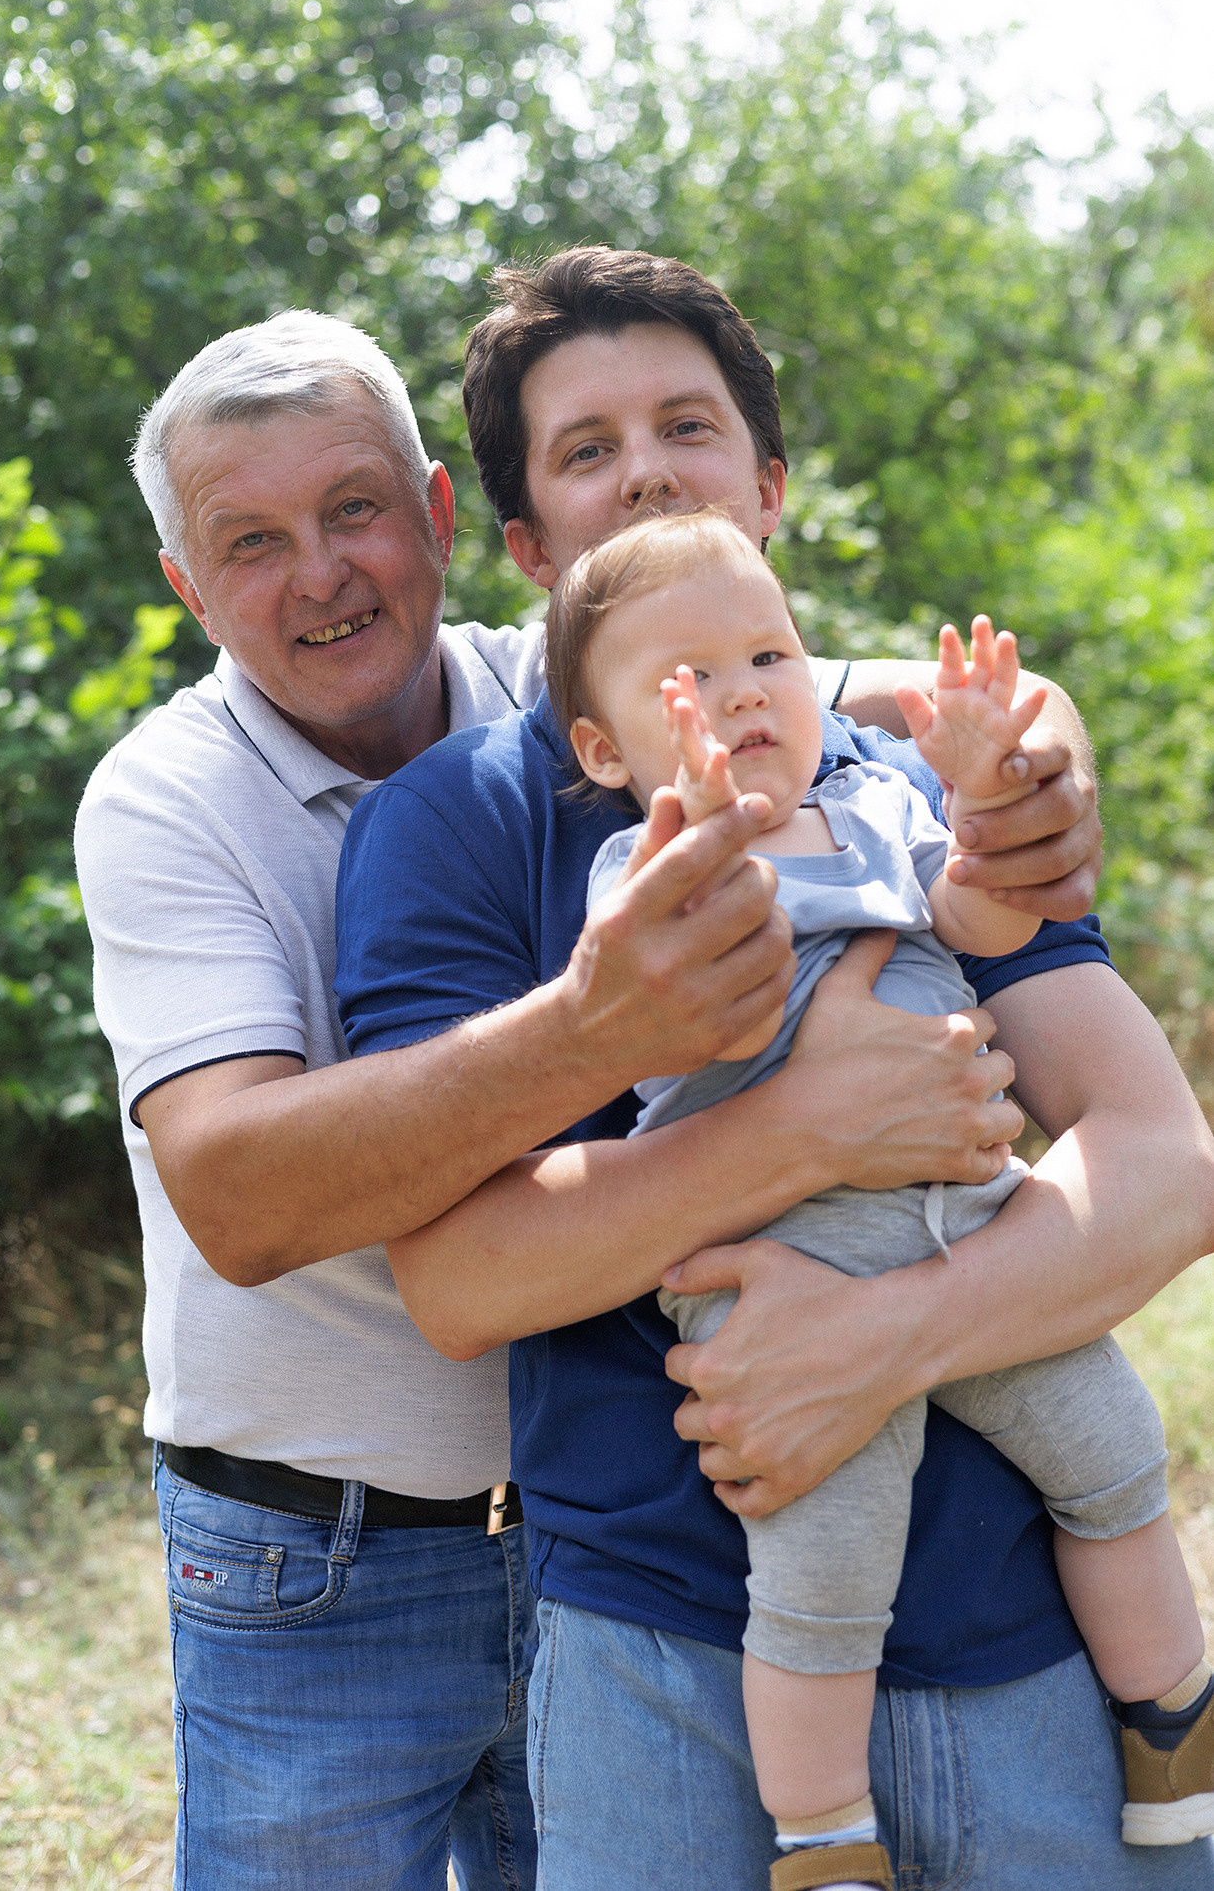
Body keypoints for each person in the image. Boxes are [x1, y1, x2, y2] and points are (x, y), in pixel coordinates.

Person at [74, 299, 1101, 1888]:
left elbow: (846, 686)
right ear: (189, 589)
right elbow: (239, 1196)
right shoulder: (168, 798)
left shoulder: (582, 679)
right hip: (321, 1548)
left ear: (435, 518)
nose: (323, 572)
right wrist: (605, 1031)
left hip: (607, 1522)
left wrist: (1037, 737)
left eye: (354, 511)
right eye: (253, 542)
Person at [335, 246, 1214, 1889]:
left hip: (1027, 1636)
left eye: (686, 424)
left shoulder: (899, 780)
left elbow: (1164, 1169)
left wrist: (876, 1336)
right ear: (525, 546)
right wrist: (807, 1124)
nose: (648, 467)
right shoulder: (449, 826)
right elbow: (464, 1274)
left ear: (768, 489)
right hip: (667, 1648)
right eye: (585, 449)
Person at [559, 508, 1214, 1885]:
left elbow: (978, 924)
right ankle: (823, 1836)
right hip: (794, 1277)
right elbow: (695, 1031)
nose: (741, 694)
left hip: (969, 1231)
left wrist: (975, 810)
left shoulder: (874, 807)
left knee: (1110, 1450)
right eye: (687, 683)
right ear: (605, 751)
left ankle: (1170, 1723)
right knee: (823, 1572)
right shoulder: (639, 879)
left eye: (768, 655)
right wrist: (707, 828)